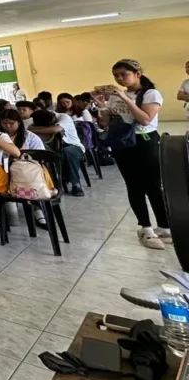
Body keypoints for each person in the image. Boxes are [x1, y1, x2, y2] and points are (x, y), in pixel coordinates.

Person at [93, 59, 169, 250]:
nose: (119, 78)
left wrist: (125, 98)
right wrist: (102, 106)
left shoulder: (150, 94)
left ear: (138, 74)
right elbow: (106, 123)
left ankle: (164, 227)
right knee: (133, 186)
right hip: (122, 143)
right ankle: (146, 228)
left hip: (145, 141)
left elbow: (145, 120)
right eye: (116, 75)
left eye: (123, 74)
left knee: (153, 186)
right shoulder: (116, 96)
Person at [29, 108, 85, 196]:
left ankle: (76, 184)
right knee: (42, 153)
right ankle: (48, 183)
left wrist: (39, 129)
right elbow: (29, 128)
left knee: (67, 152)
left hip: (73, 146)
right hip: (54, 147)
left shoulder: (64, 117)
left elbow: (56, 129)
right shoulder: (40, 117)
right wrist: (44, 128)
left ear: (52, 119)